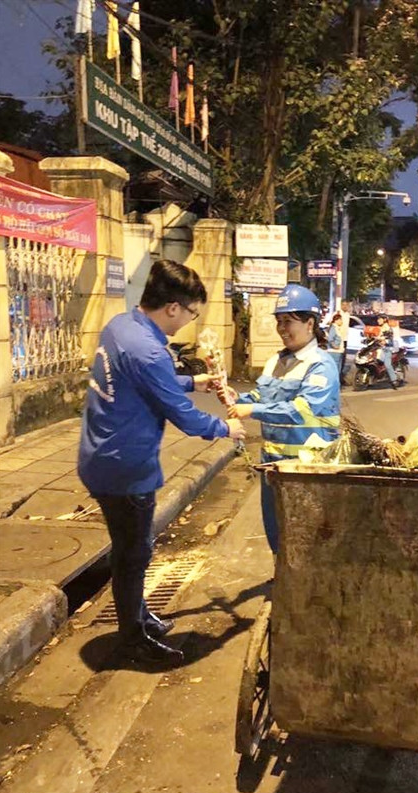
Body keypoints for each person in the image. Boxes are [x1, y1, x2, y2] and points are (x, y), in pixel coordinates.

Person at [78, 260, 246, 665]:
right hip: (125, 468)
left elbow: (145, 379)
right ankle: (133, 639)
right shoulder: (150, 350)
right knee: (133, 554)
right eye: (191, 313)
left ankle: (137, 615)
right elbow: (183, 415)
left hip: (99, 455)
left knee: (129, 548)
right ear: (173, 307)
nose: (190, 322)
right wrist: (226, 429)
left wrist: (194, 381)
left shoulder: (122, 326)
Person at [219, 283, 341, 554]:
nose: (282, 328)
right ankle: (283, 582)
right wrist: (236, 399)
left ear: (310, 324)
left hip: (309, 467)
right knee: (276, 529)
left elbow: (302, 410)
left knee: (306, 533)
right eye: (279, 321)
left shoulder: (321, 364)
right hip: (273, 464)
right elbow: (262, 397)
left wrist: (250, 411)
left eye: (288, 321)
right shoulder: (277, 360)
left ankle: (306, 590)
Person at [376, 313, 399, 388]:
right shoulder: (381, 328)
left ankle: (394, 380)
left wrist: (385, 341)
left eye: (380, 319)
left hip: (386, 349)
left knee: (387, 364)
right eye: (378, 319)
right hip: (378, 347)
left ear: (384, 320)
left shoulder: (388, 328)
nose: (378, 320)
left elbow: (389, 340)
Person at [338, 299, 351, 386]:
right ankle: (337, 379)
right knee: (338, 360)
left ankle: (341, 378)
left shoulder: (348, 315)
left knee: (343, 360)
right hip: (338, 339)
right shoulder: (338, 314)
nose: (345, 306)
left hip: (345, 339)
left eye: (347, 305)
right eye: (343, 305)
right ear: (341, 305)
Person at [326, 311, 344, 376]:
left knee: (337, 369)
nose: (342, 321)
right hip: (334, 352)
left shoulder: (337, 328)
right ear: (336, 320)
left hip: (338, 351)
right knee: (334, 369)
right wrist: (335, 346)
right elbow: (330, 339)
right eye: (341, 320)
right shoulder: (334, 328)